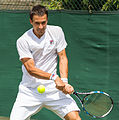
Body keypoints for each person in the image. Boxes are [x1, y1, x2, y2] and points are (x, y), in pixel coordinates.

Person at [10, 4, 81, 120]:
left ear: (47, 20)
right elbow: (31, 69)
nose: (41, 26)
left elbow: (62, 57)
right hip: (29, 91)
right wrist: (54, 77)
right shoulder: (23, 41)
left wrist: (64, 82)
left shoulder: (57, 31)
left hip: (54, 90)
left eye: (43, 22)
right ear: (31, 21)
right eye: (37, 23)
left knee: (75, 119)